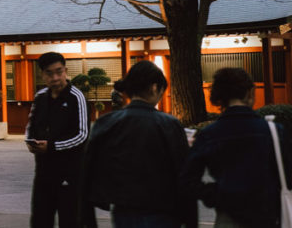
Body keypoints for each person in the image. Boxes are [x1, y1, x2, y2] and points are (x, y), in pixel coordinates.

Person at [79, 60, 195, 227]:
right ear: (154, 87)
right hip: (162, 210)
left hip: (123, 209)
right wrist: (190, 220)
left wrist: (87, 218)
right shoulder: (168, 124)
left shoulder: (106, 123)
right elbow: (184, 175)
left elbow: (88, 172)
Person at [180, 67, 292, 227]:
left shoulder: (210, 134)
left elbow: (188, 180)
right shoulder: (273, 131)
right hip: (266, 215)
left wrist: (214, 194)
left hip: (228, 214)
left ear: (219, 97)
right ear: (249, 93)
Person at [26, 52, 89, 228]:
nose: (55, 78)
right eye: (49, 73)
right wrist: (31, 142)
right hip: (43, 172)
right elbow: (30, 125)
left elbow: (82, 135)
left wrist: (52, 147)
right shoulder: (40, 97)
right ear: (42, 74)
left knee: (70, 221)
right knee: (40, 220)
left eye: (59, 72)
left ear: (65, 71)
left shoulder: (77, 97)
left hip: (70, 173)